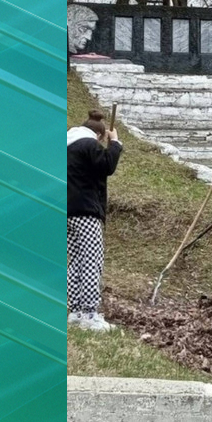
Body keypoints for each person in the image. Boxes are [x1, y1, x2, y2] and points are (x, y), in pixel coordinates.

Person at [67, 109, 123, 331]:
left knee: (76, 261)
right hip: (86, 212)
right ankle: (90, 313)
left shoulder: (67, 146)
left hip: (67, 212)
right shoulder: (88, 145)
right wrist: (115, 143)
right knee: (92, 261)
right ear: (99, 135)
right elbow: (107, 166)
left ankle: (75, 311)